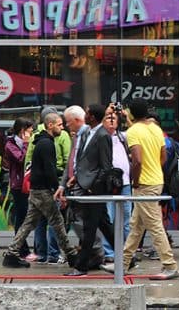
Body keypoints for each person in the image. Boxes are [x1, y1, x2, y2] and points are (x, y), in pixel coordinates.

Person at [108, 98, 178, 280]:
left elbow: (137, 160)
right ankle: (123, 264)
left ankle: (170, 265)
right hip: (156, 180)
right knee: (136, 226)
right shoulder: (155, 128)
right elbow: (163, 157)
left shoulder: (133, 132)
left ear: (131, 113)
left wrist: (136, 180)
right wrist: (153, 169)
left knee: (154, 225)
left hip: (144, 184)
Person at [2, 112, 79, 269]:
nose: (62, 128)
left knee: (29, 223)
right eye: (59, 125)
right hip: (43, 190)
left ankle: (11, 253)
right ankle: (71, 254)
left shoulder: (41, 142)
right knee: (57, 222)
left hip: (37, 189)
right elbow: (49, 170)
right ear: (50, 125)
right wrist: (57, 189)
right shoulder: (47, 144)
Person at [63, 103, 116, 276]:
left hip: (94, 189)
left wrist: (94, 186)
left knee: (89, 228)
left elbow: (106, 166)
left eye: (87, 113)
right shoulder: (89, 133)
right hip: (84, 184)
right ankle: (128, 258)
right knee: (104, 225)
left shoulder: (103, 135)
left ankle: (81, 266)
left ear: (92, 116)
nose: (85, 115)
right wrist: (76, 177)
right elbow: (85, 161)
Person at [100, 105, 131, 264]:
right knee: (109, 217)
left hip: (124, 182)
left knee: (127, 219)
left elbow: (134, 130)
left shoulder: (123, 137)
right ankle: (109, 252)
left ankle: (127, 251)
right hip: (107, 183)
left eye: (114, 118)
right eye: (108, 118)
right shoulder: (100, 136)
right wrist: (107, 111)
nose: (111, 121)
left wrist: (126, 117)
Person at [2, 118, 32, 256]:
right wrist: (26, 144)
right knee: (21, 217)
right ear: (22, 130)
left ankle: (21, 248)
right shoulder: (10, 144)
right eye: (29, 129)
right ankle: (21, 249)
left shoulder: (26, 142)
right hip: (18, 185)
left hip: (27, 182)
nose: (31, 131)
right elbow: (21, 159)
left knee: (24, 216)